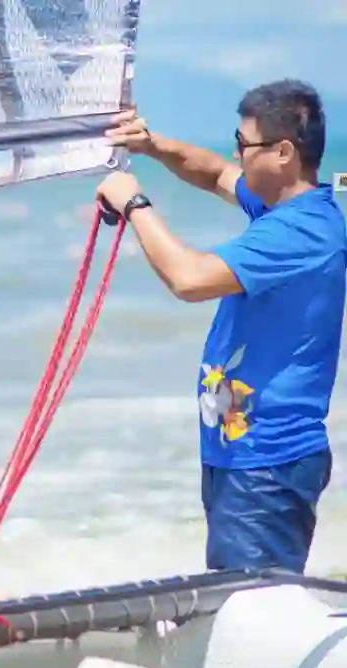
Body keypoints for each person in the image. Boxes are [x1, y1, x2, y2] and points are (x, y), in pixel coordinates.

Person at [99, 80, 343, 574]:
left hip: (268, 461)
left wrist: (134, 204)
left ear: (283, 153)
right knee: (238, 590)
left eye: (243, 144)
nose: (235, 153)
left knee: (252, 602)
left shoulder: (301, 231)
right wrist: (151, 145)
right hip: (241, 451)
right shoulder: (281, 206)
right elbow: (214, 174)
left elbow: (189, 279)